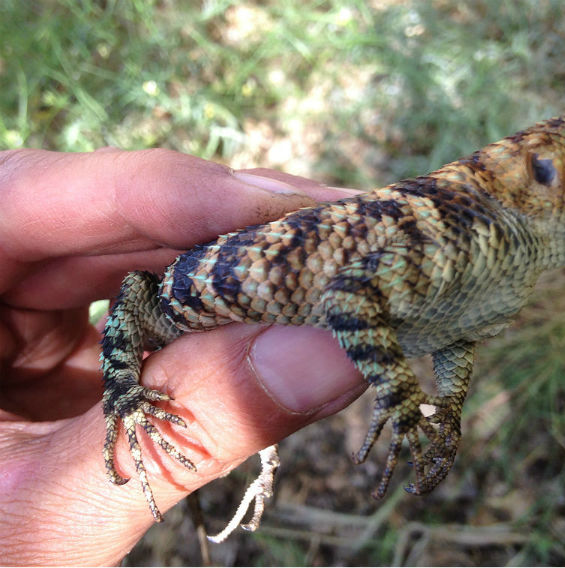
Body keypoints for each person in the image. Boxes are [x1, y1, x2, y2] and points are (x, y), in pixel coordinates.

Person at [0, 148, 366, 564]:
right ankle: (122, 394)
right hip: (177, 309)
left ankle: (258, 464)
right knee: (138, 284)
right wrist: (123, 385)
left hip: (229, 309)